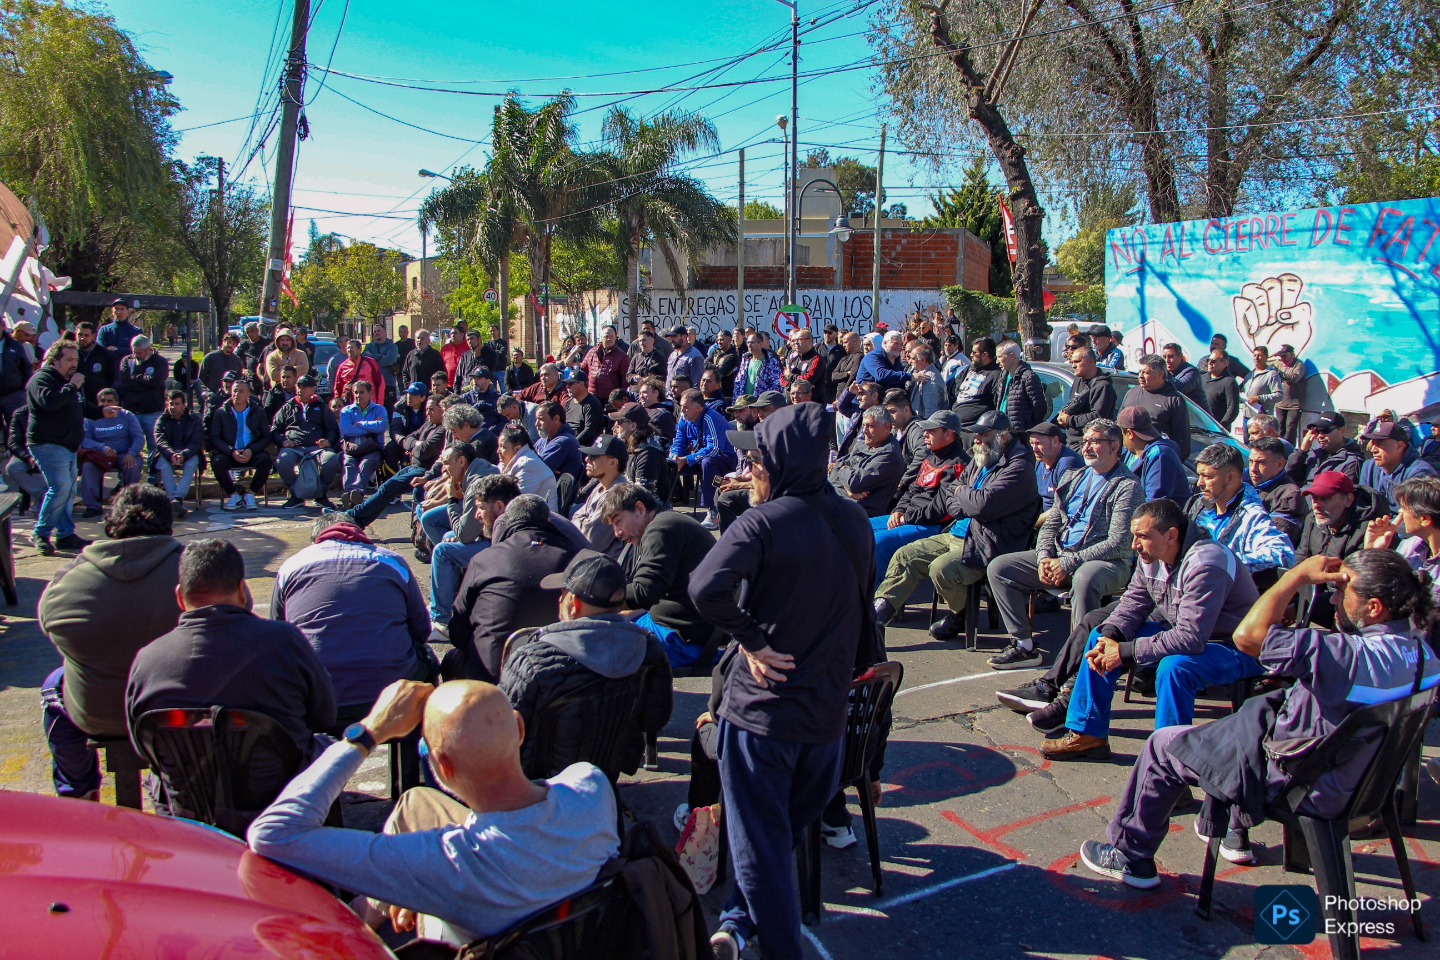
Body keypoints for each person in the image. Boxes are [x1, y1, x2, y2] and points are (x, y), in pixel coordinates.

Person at [1078, 550, 1439, 889]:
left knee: (1163, 745)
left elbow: (1247, 636)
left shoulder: (1342, 654)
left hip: (1298, 784)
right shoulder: (1425, 656)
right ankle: (1232, 829)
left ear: (1374, 607)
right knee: (1252, 721)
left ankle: (1130, 856)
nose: (1332, 601)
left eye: (1343, 592)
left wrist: (1296, 577)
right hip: (1361, 784)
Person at [690, 403, 875, 960]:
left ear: (780, 463)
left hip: (764, 718)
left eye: (757, 460)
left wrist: (750, 638)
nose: (749, 470)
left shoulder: (763, 522)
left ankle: (776, 946)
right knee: (774, 840)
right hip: (827, 720)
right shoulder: (855, 520)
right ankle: (737, 921)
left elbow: (703, 587)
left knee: (758, 847)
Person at [248, 677, 619, 941]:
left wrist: (368, 732)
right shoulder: (591, 786)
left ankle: (361, 932)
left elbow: (273, 833)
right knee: (416, 803)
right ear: (519, 730)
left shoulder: (451, 863)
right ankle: (376, 906)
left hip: (486, 937)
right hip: (579, 935)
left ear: (442, 765)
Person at [1038, 498, 1262, 761]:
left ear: (1171, 536)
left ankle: (1169, 761)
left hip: (1234, 647)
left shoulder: (1206, 562)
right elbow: (1133, 603)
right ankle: (1088, 734)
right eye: (1134, 536)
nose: (1134, 545)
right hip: (1187, 634)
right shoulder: (1151, 555)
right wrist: (1111, 638)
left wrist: (1124, 652)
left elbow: (1191, 638)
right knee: (1099, 636)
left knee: (1174, 667)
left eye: (1143, 536)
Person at [126, 539, 337, 776]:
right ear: (242, 590)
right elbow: (325, 716)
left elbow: (143, 747)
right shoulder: (286, 641)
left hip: (187, 794)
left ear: (180, 597)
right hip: (282, 790)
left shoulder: (147, 660)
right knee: (329, 746)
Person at [39, 485, 182, 799]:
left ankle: (78, 791)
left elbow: (51, 627)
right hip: (178, 711)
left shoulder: (71, 577)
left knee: (54, 686)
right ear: (169, 524)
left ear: (111, 524)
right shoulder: (192, 571)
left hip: (97, 713)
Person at [500, 550, 674, 774]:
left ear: (575, 603)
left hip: (537, 784)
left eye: (563, 593)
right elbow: (654, 718)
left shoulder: (531, 660)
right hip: (604, 779)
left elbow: (500, 733)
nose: (559, 599)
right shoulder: (647, 649)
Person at [987, 419, 1141, 670]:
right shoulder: (1074, 477)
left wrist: (1068, 563)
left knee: (1085, 578)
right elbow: (1051, 524)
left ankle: (1079, 662)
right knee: (1000, 568)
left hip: (1106, 563)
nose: (1086, 447)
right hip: (1061, 555)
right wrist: (1044, 557)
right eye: (1085, 441)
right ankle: (1024, 646)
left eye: (1095, 442)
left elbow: (1118, 543)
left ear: (1115, 447)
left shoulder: (1128, 486)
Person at [875, 411, 1041, 641]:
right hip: (957, 532)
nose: (977, 440)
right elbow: (952, 501)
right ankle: (877, 617)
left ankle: (960, 614)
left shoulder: (1019, 468)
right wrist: (967, 498)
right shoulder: (982, 458)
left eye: (983, 435)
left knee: (942, 568)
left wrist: (964, 495)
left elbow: (981, 506)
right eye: (976, 435)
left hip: (987, 543)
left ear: (1003, 436)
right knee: (906, 556)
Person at [273, 512, 433, 716]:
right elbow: (421, 629)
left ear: (316, 540)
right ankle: (421, 732)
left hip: (315, 698)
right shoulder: (393, 562)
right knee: (427, 658)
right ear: (359, 532)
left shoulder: (291, 567)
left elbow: (278, 634)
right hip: (389, 695)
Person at [442, 494, 586, 683]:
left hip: (492, 679)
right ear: (549, 521)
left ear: (507, 522)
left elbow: (458, 631)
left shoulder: (484, 560)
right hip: (560, 678)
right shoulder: (579, 558)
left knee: (451, 660)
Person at [602, 483, 716, 670]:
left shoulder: (661, 528)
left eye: (618, 521)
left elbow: (644, 592)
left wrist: (600, 599)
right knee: (605, 628)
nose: (617, 533)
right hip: (681, 628)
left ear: (640, 509)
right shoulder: (663, 524)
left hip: (683, 641)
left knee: (596, 648)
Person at [871, 408, 970, 592]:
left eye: (931, 430)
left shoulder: (958, 464)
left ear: (948, 434)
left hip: (932, 525)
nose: (925, 434)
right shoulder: (931, 457)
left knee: (880, 541)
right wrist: (899, 510)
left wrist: (907, 518)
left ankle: (877, 597)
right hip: (908, 517)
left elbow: (942, 510)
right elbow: (913, 489)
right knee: (861, 526)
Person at [1188, 443, 1295, 585]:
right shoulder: (1198, 504)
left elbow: (1282, 554)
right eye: (1199, 475)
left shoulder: (1251, 516)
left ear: (1230, 478)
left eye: (1207, 476)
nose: (1199, 483)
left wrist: (1220, 563)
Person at [1294, 472, 1387, 627]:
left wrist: (1297, 608)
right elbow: (1301, 560)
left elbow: (1352, 586)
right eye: (1314, 498)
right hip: (1317, 596)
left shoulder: (1369, 530)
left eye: (1325, 499)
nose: (1316, 505)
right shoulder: (1312, 519)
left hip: (1349, 604)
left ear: (1348, 500)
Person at [27, 341, 90, 553]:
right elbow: (49, 402)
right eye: (69, 359)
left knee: (69, 491)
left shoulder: (68, 382)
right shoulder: (42, 379)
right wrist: (72, 386)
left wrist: (102, 411)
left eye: (76, 359)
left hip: (69, 445)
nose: (74, 364)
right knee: (61, 488)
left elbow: (80, 407)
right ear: (55, 361)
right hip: (48, 444)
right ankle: (41, 533)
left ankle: (65, 534)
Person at [349, 395, 446, 528]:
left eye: (431, 409)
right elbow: (409, 438)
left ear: (442, 410)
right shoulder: (430, 423)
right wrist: (416, 444)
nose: (427, 412)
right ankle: (358, 521)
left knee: (389, 488)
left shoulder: (443, 430)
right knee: (385, 488)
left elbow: (423, 451)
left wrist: (414, 448)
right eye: (427, 409)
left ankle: (353, 516)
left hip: (425, 471)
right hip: (414, 466)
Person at [670, 387, 736, 529]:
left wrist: (687, 459)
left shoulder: (710, 418)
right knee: (669, 463)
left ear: (698, 407)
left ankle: (713, 511)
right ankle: (665, 504)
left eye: (686, 407)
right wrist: (676, 456)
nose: (682, 410)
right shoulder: (684, 419)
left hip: (725, 459)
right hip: (698, 456)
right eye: (681, 406)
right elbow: (679, 442)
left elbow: (715, 449)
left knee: (708, 463)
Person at [272, 375, 341, 509]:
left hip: (318, 447)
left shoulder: (322, 407)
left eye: (304, 387)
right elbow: (275, 430)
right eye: (299, 386)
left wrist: (328, 441)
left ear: (313, 389)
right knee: (283, 460)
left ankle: (321, 495)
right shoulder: (288, 407)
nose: (300, 390)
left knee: (331, 459)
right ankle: (296, 495)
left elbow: (333, 429)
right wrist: (283, 441)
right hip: (293, 447)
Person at [78, 387, 145, 518]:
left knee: (132, 465)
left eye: (110, 401)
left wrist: (131, 453)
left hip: (124, 454)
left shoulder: (127, 416)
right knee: (88, 467)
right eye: (103, 401)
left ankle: (130, 503)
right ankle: (93, 507)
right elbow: (85, 440)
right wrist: (102, 447)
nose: (106, 404)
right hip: (101, 455)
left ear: (117, 402)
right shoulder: (91, 418)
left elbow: (138, 438)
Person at [829, 405, 906, 517]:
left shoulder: (889, 456)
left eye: (870, 426)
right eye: (863, 425)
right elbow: (837, 466)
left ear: (886, 427)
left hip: (857, 513)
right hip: (838, 500)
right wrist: (847, 486)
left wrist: (843, 471)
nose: (864, 431)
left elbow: (855, 483)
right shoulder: (864, 445)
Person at [208, 379, 272, 512]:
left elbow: (266, 436)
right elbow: (215, 438)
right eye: (235, 391)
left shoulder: (258, 411)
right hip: (230, 453)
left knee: (265, 460)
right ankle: (234, 495)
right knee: (217, 462)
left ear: (248, 394)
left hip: (251, 452)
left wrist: (251, 449)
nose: (237, 394)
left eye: (241, 391)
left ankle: (251, 494)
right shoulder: (222, 412)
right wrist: (231, 451)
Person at [1120, 354, 1192, 461]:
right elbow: (1119, 424)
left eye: (1146, 373)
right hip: (1126, 458)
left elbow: (1182, 442)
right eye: (1140, 372)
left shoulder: (1173, 400)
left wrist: (1168, 461)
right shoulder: (1131, 393)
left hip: (1154, 459)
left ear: (1161, 374)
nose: (1140, 376)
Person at [1359, 418, 1437, 512]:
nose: (1373, 450)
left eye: (1379, 444)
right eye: (1373, 444)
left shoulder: (1420, 473)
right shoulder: (1369, 467)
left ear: (1399, 446)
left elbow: (1415, 517)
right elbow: (1363, 506)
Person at [1117, 406, 1190, 504]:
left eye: (1122, 433)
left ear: (1130, 433)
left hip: (1157, 513)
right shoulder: (1128, 452)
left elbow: (1154, 503)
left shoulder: (1160, 455)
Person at [151, 390, 204, 516]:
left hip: (189, 453)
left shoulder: (194, 420)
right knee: (164, 466)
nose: (173, 407)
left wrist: (184, 455)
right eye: (171, 404)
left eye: (177, 404)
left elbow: (196, 443)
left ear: (184, 405)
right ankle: (174, 501)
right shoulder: (161, 421)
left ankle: (177, 498)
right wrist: (171, 455)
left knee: (191, 465)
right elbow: (160, 442)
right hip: (168, 454)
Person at [571, 435, 626, 553]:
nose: (587, 459)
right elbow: (576, 516)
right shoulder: (602, 486)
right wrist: (584, 523)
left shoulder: (618, 495)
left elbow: (590, 542)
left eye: (594, 457)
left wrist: (583, 521)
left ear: (613, 463)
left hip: (603, 560)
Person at [339, 379, 388, 507]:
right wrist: (369, 430)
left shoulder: (379, 409)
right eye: (356, 392)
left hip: (373, 449)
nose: (358, 395)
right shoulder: (346, 411)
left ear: (370, 393)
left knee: (366, 463)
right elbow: (346, 429)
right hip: (352, 449)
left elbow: (381, 426)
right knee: (349, 463)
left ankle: (357, 493)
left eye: (362, 392)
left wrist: (361, 424)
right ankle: (349, 494)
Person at [1057, 347, 1117, 451]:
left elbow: (1098, 417)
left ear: (1091, 362)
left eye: (1077, 361)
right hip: (1071, 441)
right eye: (1072, 362)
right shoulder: (1079, 380)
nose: (1073, 365)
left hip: (1088, 444)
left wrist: (1069, 420)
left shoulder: (1103, 386)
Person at [1247, 436, 1305, 544]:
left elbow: (1274, 540)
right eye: (1250, 461)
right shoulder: (1244, 484)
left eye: (1261, 463)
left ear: (1280, 464)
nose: (1253, 469)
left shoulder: (1290, 497)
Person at [116, 335, 168, 453]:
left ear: (148, 350)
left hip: (153, 411)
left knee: (154, 446)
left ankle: (153, 465)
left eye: (139, 353)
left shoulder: (160, 362)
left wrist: (136, 377)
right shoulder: (127, 361)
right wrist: (145, 381)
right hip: (132, 410)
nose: (136, 355)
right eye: (134, 352)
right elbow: (124, 382)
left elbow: (156, 382)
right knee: (129, 445)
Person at [1286, 410, 1362, 486]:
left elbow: (1346, 492)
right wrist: (1301, 452)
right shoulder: (1314, 454)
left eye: (1326, 431)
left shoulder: (1351, 461)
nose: (1320, 436)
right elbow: (1289, 479)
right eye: (1317, 431)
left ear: (1342, 431)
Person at [987, 341, 1046, 433]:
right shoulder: (1003, 376)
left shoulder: (1028, 377)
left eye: (999, 356)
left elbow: (1039, 407)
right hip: (1002, 430)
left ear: (1011, 356)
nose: (997, 361)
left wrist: (1029, 430)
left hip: (1019, 432)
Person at [498, 423, 559, 509]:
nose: (498, 451)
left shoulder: (528, 465)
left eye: (503, 447)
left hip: (540, 516)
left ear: (517, 449)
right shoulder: (507, 462)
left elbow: (517, 502)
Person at [1029, 421, 1084, 515]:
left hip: (1057, 518)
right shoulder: (1041, 459)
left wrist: (1035, 521)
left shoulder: (1068, 464)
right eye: (1032, 443)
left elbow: (1063, 508)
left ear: (1055, 441)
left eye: (1038, 443)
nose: (1034, 449)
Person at [611, 402, 665, 497]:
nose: (615, 426)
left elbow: (643, 495)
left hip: (645, 503)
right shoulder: (626, 444)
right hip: (626, 497)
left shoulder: (649, 454)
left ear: (633, 426)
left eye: (620, 422)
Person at [951, 337, 1003, 427]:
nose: (971, 354)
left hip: (974, 427)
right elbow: (958, 386)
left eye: (974, 352)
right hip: (955, 422)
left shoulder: (996, 375)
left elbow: (996, 402)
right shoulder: (970, 368)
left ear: (984, 355)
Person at [533, 399, 585, 484]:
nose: (536, 424)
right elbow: (528, 462)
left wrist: (542, 468)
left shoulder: (564, 442)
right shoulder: (544, 440)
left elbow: (534, 470)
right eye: (536, 419)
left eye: (541, 419)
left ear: (556, 419)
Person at [578, 325, 630, 400]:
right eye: (606, 336)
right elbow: (583, 370)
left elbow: (625, 380)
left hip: (611, 398)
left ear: (615, 337)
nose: (609, 339)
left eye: (611, 336)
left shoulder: (622, 356)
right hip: (592, 396)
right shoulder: (592, 352)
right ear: (601, 337)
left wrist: (621, 398)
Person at [856, 329, 915, 395]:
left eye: (901, 344)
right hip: (865, 399)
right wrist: (911, 376)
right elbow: (881, 375)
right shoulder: (872, 357)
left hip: (886, 399)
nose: (899, 347)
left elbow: (899, 383)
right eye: (896, 343)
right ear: (885, 343)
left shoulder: (896, 359)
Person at [1271, 343, 1308, 443]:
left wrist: (1278, 372)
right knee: (1279, 428)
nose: (1282, 358)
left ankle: (1289, 449)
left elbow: (1294, 378)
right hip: (1280, 403)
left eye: (1284, 356)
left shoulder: (1299, 365)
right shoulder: (1277, 364)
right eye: (1280, 356)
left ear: (1292, 354)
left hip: (1294, 404)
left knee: (1290, 429)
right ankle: (1279, 447)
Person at [1239, 344, 1281, 430]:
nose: (1256, 358)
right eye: (1255, 355)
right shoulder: (1249, 374)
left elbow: (1279, 395)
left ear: (1266, 357)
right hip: (1247, 417)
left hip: (1262, 420)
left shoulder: (1272, 375)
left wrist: (1259, 398)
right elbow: (1242, 391)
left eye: (1260, 355)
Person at [334, 338, 386, 407]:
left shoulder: (370, 363)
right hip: (350, 405)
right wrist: (338, 404)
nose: (350, 350)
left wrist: (379, 405)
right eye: (348, 348)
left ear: (359, 349)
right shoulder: (342, 366)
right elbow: (338, 387)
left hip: (369, 405)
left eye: (352, 347)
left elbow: (380, 384)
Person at [731, 329, 780, 398]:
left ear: (760, 344)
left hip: (760, 401)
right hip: (744, 401)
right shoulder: (745, 360)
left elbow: (776, 384)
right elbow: (738, 381)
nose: (749, 345)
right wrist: (737, 400)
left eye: (752, 342)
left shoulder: (771, 361)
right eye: (748, 342)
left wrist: (764, 399)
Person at [1161, 343, 1209, 413]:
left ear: (1180, 357)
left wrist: (1160, 376)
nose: (1167, 360)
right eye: (1164, 357)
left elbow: (1180, 387)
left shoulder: (1192, 372)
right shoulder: (1166, 372)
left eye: (1170, 357)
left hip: (1198, 417)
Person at [562, 372, 605, 446]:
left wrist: (572, 443)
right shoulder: (569, 402)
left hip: (583, 445)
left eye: (570, 384)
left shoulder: (592, 404)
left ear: (581, 384)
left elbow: (589, 431)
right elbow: (562, 423)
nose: (567, 387)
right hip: (567, 439)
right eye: (567, 384)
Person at [199, 332, 244, 399]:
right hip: (213, 394)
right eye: (229, 342)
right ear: (223, 341)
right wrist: (210, 389)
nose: (230, 345)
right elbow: (202, 376)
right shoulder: (211, 357)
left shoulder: (237, 360)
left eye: (234, 343)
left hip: (231, 396)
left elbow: (239, 377)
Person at [1201, 353, 1239, 429]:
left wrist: (1221, 427)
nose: (1210, 363)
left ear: (1224, 363)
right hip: (1200, 426)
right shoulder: (1202, 378)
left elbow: (1232, 409)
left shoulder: (1229, 382)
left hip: (1217, 429)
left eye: (1213, 361)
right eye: (1208, 360)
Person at [666, 326, 705, 395]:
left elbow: (697, 384)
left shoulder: (695, 356)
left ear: (684, 337)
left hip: (685, 398)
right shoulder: (672, 355)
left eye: (675, 336)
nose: (672, 340)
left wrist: (692, 398)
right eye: (671, 337)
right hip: (669, 397)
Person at [439, 322, 471, 387]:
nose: (453, 335)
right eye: (451, 333)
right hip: (447, 385)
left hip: (463, 385)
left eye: (455, 333)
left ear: (462, 335)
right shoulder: (445, 348)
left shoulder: (469, 348)